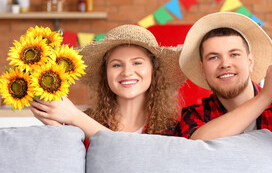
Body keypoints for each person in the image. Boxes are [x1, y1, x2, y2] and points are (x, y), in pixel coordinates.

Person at [30, 24, 186, 143]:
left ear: (154, 70)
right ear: (105, 74)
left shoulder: (170, 130)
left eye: (137, 63)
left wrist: (75, 116)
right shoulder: (85, 121)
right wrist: (56, 126)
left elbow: (135, 157)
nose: (127, 72)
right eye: (116, 65)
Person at [177, 12, 272, 154]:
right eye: (213, 57)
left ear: (250, 61)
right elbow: (195, 146)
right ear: (202, 69)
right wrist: (265, 97)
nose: (225, 64)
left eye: (234, 54)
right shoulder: (195, 115)